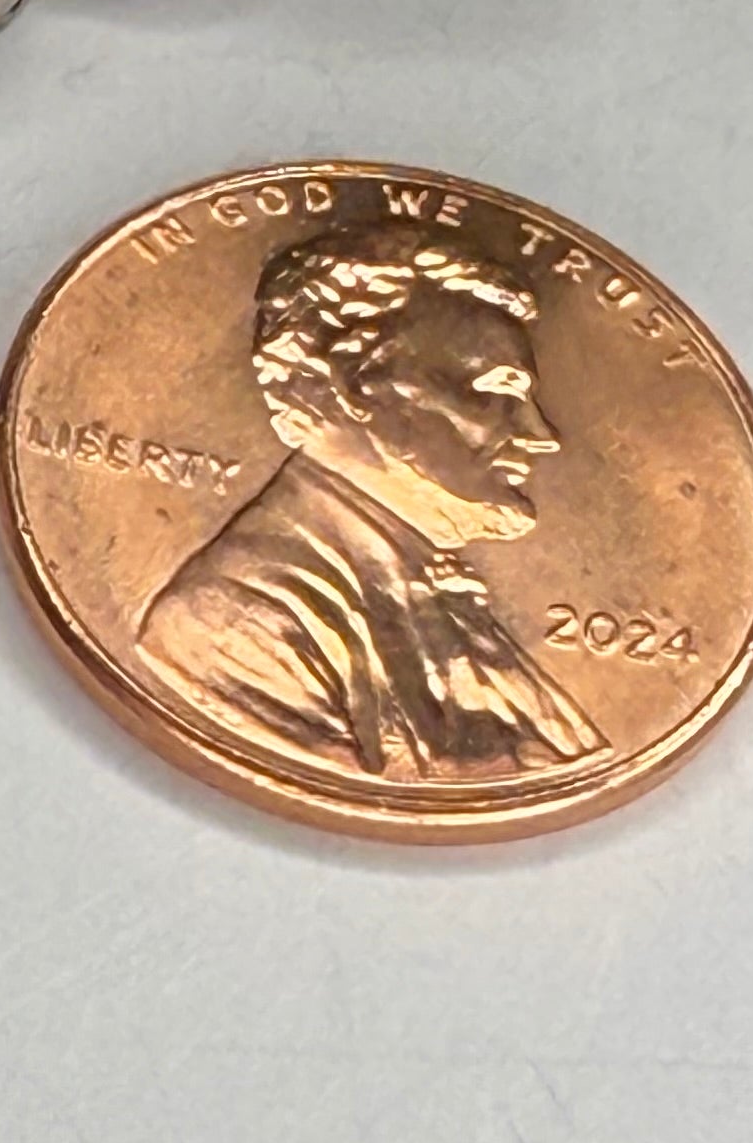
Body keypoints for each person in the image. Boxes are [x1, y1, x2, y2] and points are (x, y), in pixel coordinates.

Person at [139, 233, 604, 784]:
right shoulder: (229, 623)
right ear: (356, 385)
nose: (540, 435)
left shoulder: (434, 590)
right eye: (497, 390)